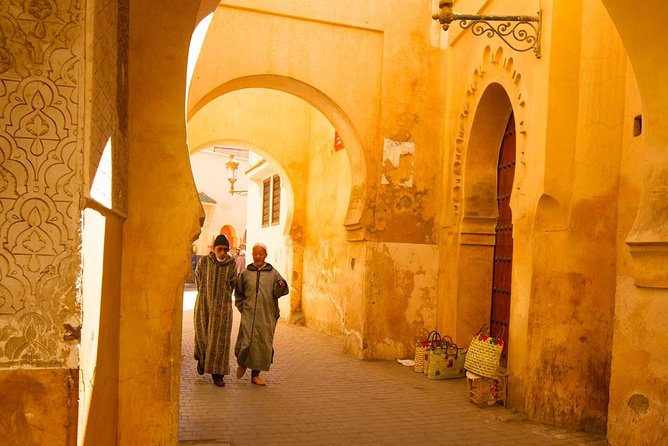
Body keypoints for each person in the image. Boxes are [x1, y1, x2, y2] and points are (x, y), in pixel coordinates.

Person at [234, 243, 289, 386]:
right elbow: (239, 292)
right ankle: (243, 363)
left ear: (266, 255)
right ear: (252, 255)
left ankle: (255, 374)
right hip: (249, 315)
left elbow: (279, 292)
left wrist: (280, 285)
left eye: (261, 254)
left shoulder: (273, 273)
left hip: (266, 316)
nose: (258, 256)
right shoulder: (246, 273)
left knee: (261, 344)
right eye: (255, 254)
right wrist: (242, 307)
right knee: (246, 341)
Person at [193, 234, 238, 387]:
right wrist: (205, 296)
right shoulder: (204, 262)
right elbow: (198, 278)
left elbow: (232, 284)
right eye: (220, 249)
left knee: (220, 341)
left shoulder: (231, 264)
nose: (223, 252)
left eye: (226, 249)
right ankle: (201, 360)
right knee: (203, 335)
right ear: (213, 249)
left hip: (222, 309)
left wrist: (221, 299)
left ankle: (217, 374)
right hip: (204, 306)